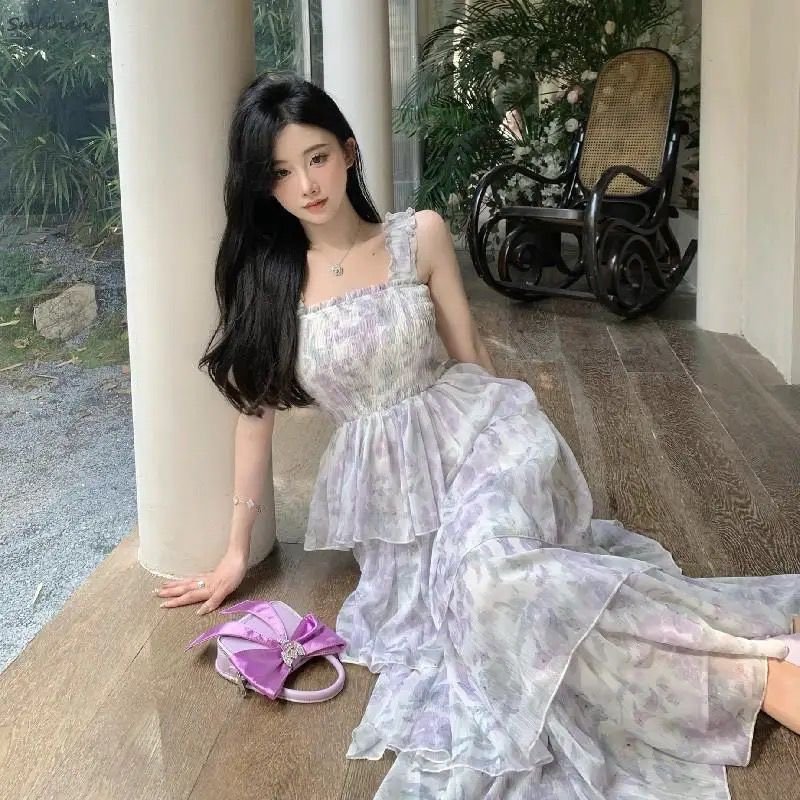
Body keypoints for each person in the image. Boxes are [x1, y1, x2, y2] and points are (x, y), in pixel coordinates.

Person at [155, 73, 800, 798]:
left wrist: (530, 453)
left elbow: (473, 360)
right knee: (490, 602)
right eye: (279, 172)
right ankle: (752, 660)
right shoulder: (270, 283)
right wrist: (235, 552)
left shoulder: (419, 236)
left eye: (317, 158)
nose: (305, 185)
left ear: (349, 151)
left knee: (493, 577)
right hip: (398, 506)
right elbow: (253, 419)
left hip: (486, 443)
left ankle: (764, 681)